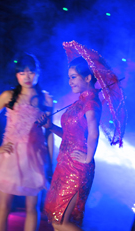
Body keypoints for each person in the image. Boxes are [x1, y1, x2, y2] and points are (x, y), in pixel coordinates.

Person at [0, 53, 52, 231]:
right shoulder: (8, 96)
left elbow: (49, 133)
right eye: (22, 73)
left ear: (38, 73)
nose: (27, 77)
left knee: (32, 208)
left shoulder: (46, 99)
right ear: (17, 75)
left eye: (31, 72)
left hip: (35, 158)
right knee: (3, 207)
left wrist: (50, 162)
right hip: (10, 157)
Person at [38, 56, 101, 231]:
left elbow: (94, 133)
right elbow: (69, 136)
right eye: (69, 77)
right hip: (64, 164)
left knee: (60, 222)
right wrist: (50, 127)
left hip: (77, 167)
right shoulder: (80, 102)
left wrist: (88, 158)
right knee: (56, 220)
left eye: (73, 77)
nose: (70, 81)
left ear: (88, 78)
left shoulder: (91, 103)